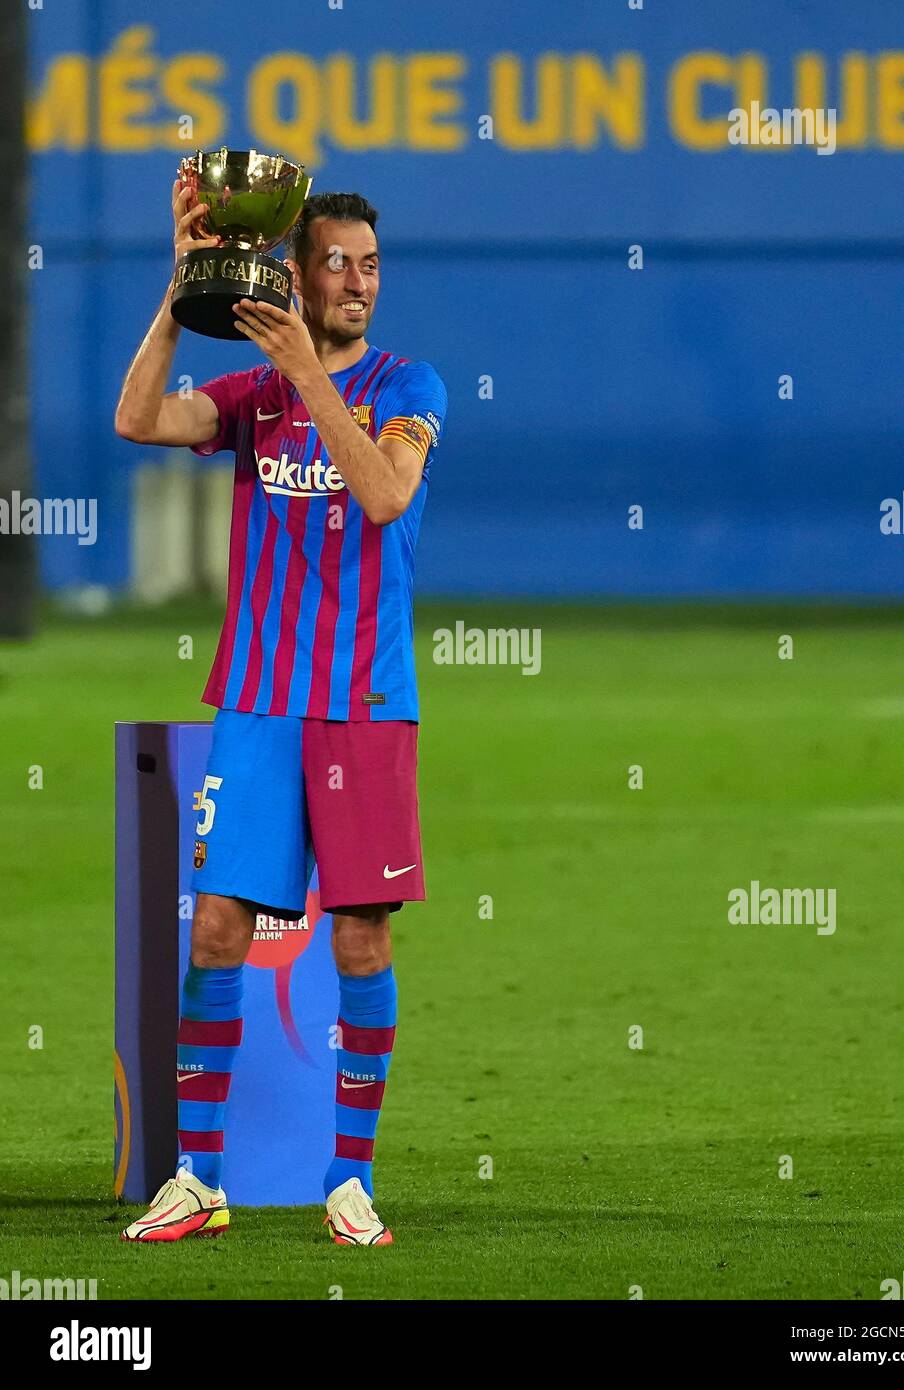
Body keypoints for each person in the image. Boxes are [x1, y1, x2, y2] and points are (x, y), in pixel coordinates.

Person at [114, 183, 447, 1245]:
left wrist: (308, 369)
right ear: (296, 275)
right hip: (259, 703)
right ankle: (198, 1181)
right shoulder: (254, 394)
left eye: (370, 265)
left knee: (358, 939)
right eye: (338, 264)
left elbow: (386, 493)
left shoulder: (409, 383)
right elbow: (138, 418)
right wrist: (180, 294)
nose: (358, 282)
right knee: (217, 929)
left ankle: (349, 1184)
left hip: (363, 705)